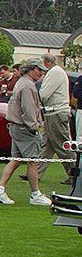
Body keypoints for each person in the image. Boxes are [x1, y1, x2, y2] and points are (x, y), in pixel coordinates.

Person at [0, 58, 51, 206]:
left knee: (16, 160)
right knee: (33, 161)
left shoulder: (22, 83)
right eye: (38, 69)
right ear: (31, 69)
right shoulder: (28, 86)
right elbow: (28, 111)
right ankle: (35, 194)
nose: (41, 73)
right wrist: (36, 128)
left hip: (17, 127)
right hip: (25, 128)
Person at [36, 53, 72, 185]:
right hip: (53, 113)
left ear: (46, 62)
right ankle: (36, 173)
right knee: (46, 146)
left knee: (62, 145)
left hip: (56, 113)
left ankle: (74, 173)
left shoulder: (54, 73)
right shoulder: (56, 72)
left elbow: (44, 94)